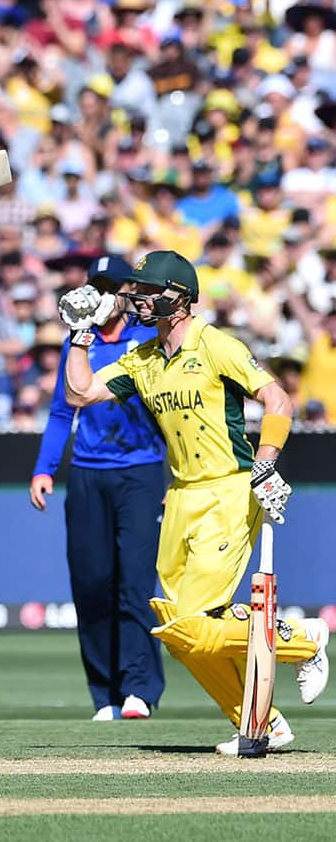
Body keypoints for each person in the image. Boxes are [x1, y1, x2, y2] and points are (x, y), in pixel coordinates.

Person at [57, 249, 330, 753]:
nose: (136, 300)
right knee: (180, 630)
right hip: (180, 496)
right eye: (134, 292)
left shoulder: (215, 344)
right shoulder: (142, 358)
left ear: (178, 299)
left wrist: (266, 460)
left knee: (190, 627)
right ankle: (263, 722)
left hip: (228, 488)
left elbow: (278, 400)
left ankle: (301, 641)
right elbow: (79, 394)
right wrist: (79, 335)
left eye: (147, 292)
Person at [30, 255, 166, 721]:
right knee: (90, 585)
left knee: (134, 583)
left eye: (114, 285)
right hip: (88, 473)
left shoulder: (148, 339)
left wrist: (174, 473)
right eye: (98, 285)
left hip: (142, 472)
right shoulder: (79, 343)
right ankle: (104, 694)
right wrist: (44, 469)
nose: (105, 294)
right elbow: (62, 411)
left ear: (129, 290)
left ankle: (139, 690)